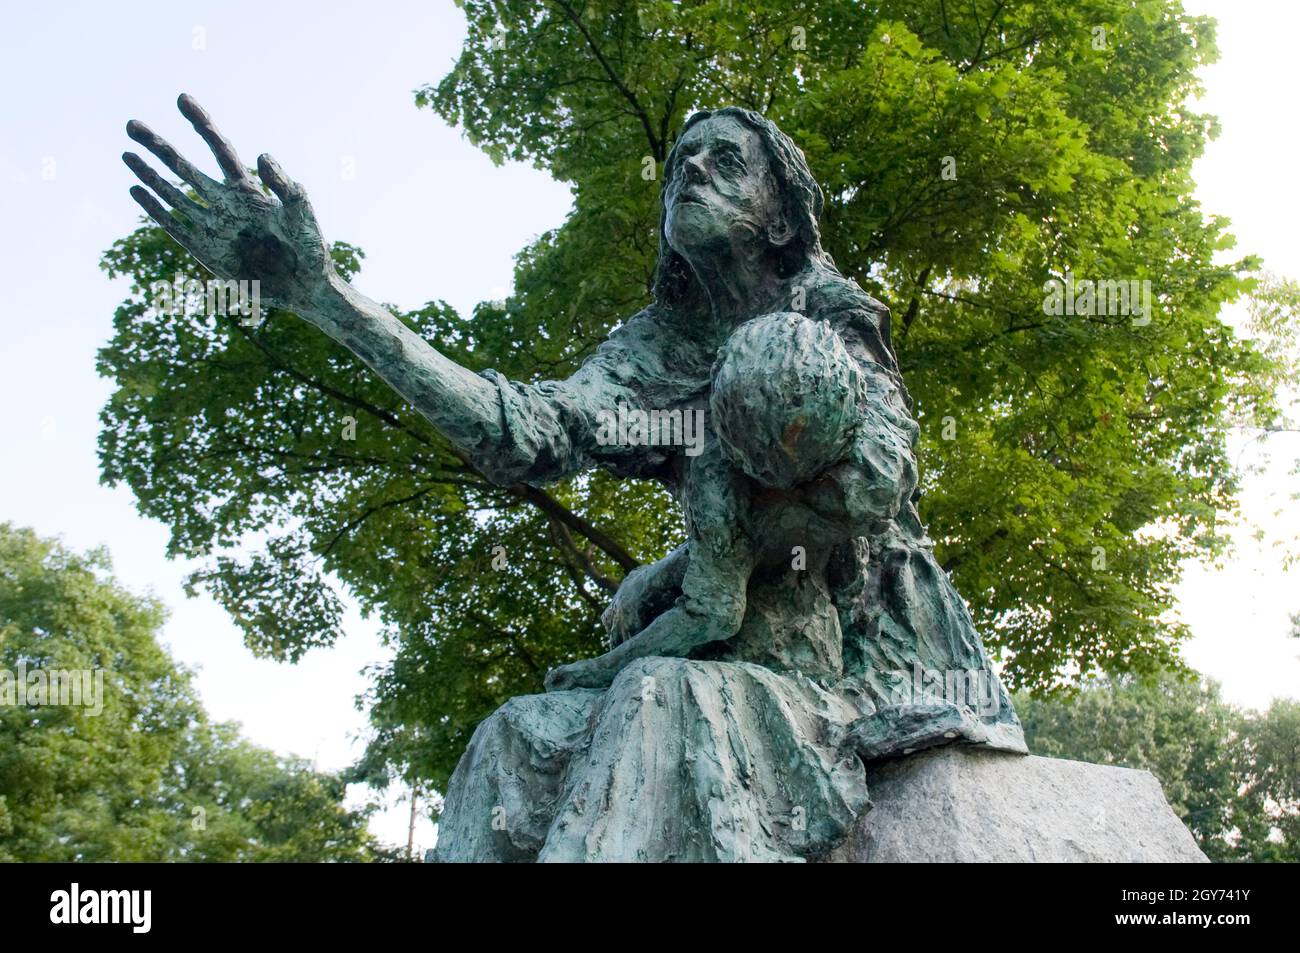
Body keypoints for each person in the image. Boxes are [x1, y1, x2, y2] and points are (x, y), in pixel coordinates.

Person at [124, 98, 1026, 861]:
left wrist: (685, 564)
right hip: (727, 630)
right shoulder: (656, 349)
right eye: (679, 162)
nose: (691, 172)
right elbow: (525, 432)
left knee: (654, 699)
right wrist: (326, 296)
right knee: (512, 734)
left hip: (869, 645)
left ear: (780, 216)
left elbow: (877, 477)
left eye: (724, 161)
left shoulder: (822, 320)